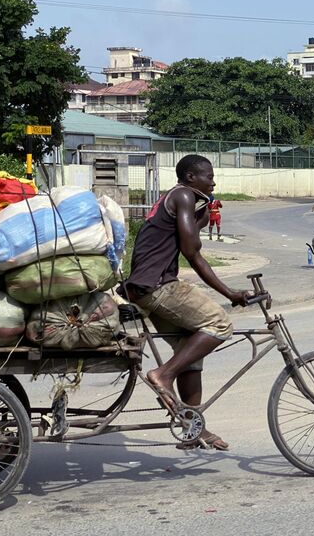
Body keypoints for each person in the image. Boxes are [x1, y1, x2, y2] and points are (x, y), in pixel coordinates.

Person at [119, 154, 251, 450]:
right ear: (191, 177)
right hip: (158, 286)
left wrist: (201, 218)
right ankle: (163, 375)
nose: (213, 181)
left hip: (143, 287)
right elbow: (192, 252)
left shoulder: (176, 198)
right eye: (209, 176)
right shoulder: (182, 196)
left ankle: (193, 429)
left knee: (190, 350)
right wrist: (231, 294)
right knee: (219, 323)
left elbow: (181, 234)